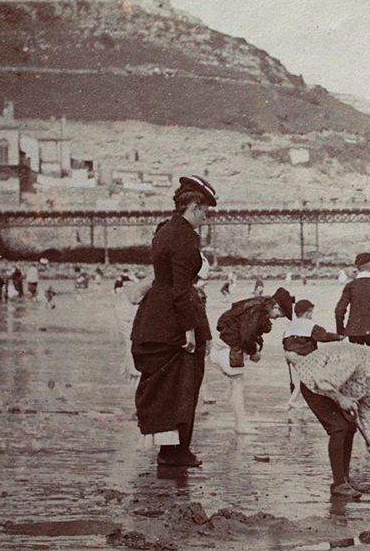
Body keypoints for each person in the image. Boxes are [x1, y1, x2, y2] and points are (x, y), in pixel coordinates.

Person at [131, 175, 218, 467]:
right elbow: (181, 289)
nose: (205, 217)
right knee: (183, 385)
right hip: (174, 320)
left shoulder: (164, 230)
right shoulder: (186, 236)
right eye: (204, 211)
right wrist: (190, 331)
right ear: (193, 206)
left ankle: (170, 450)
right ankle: (175, 452)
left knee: (164, 386)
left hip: (154, 317)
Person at [288, 341, 370, 498]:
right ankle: (338, 484)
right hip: (313, 384)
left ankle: (345, 479)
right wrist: (340, 398)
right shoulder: (355, 359)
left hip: (335, 387)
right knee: (338, 428)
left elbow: (369, 409)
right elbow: (321, 380)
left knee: (350, 427)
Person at [212, 287, 293, 434]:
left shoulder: (255, 304)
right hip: (228, 349)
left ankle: (240, 422)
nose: (276, 318)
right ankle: (240, 425)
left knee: (235, 385)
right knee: (238, 386)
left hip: (221, 344)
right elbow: (246, 337)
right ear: (275, 306)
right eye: (279, 315)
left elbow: (225, 321)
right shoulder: (258, 312)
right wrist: (254, 352)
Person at [282, 299, 344, 408]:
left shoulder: (291, 325)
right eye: (311, 313)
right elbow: (323, 336)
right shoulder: (310, 325)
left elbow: (285, 341)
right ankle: (328, 399)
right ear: (307, 313)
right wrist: (338, 337)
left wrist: (287, 357)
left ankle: (292, 400)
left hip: (290, 355)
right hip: (302, 356)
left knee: (303, 378)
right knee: (317, 375)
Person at [334, 252, 370, 349]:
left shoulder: (351, 286)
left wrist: (340, 331)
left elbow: (339, 310)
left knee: (356, 357)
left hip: (354, 331)